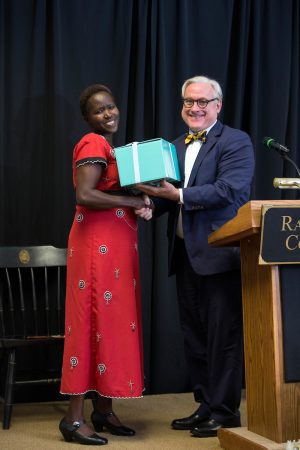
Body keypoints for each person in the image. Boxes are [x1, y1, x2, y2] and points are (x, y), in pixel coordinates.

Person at [136, 75, 255, 438]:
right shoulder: (174, 145)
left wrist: (176, 197)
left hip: (221, 255)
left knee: (224, 337)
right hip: (186, 255)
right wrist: (148, 206)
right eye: (189, 101)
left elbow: (228, 191)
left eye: (203, 101)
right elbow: (166, 195)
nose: (195, 107)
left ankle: (224, 411)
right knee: (196, 337)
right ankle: (205, 405)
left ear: (218, 105)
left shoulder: (235, 141)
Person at [59, 84, 152, 445]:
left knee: (111, 324)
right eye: (100, 111)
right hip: (96, 248)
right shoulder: (93, 142)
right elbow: (84, 194)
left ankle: (103, 410)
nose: (109, 114)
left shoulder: (110, 147)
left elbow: (112, 191)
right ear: (88, 118)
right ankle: (73, 419)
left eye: (111, 107)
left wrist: (141, 198)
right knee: (90, 324)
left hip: (112, 247)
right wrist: (132, 203)